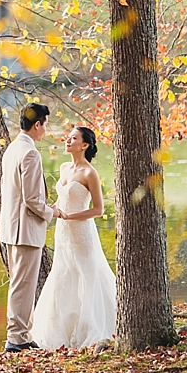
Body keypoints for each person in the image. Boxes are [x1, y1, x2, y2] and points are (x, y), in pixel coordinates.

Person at [30, 125, 116, 350]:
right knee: (64, 273)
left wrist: (70, 216)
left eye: (73, 138)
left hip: (81, 232)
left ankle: (89, 326)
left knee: (87, 274)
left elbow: (98, 209)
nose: (68, 141)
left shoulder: (90, 173)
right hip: (63, 232)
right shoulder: (64, 167)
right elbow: (62, 200)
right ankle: (61, 330)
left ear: (85, 145)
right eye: (68, 138)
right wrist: (54, 209)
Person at [0, 103, 63, 353]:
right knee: (23, 286)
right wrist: (52, 212)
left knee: (19, 283)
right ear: (37, 125)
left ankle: (19, 335)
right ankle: (17, 339)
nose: (45, 131)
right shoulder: (30, 153)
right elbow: (32, 199)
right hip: (25, 229)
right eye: (44, 125)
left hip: (11, 227)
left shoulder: (12, 149)